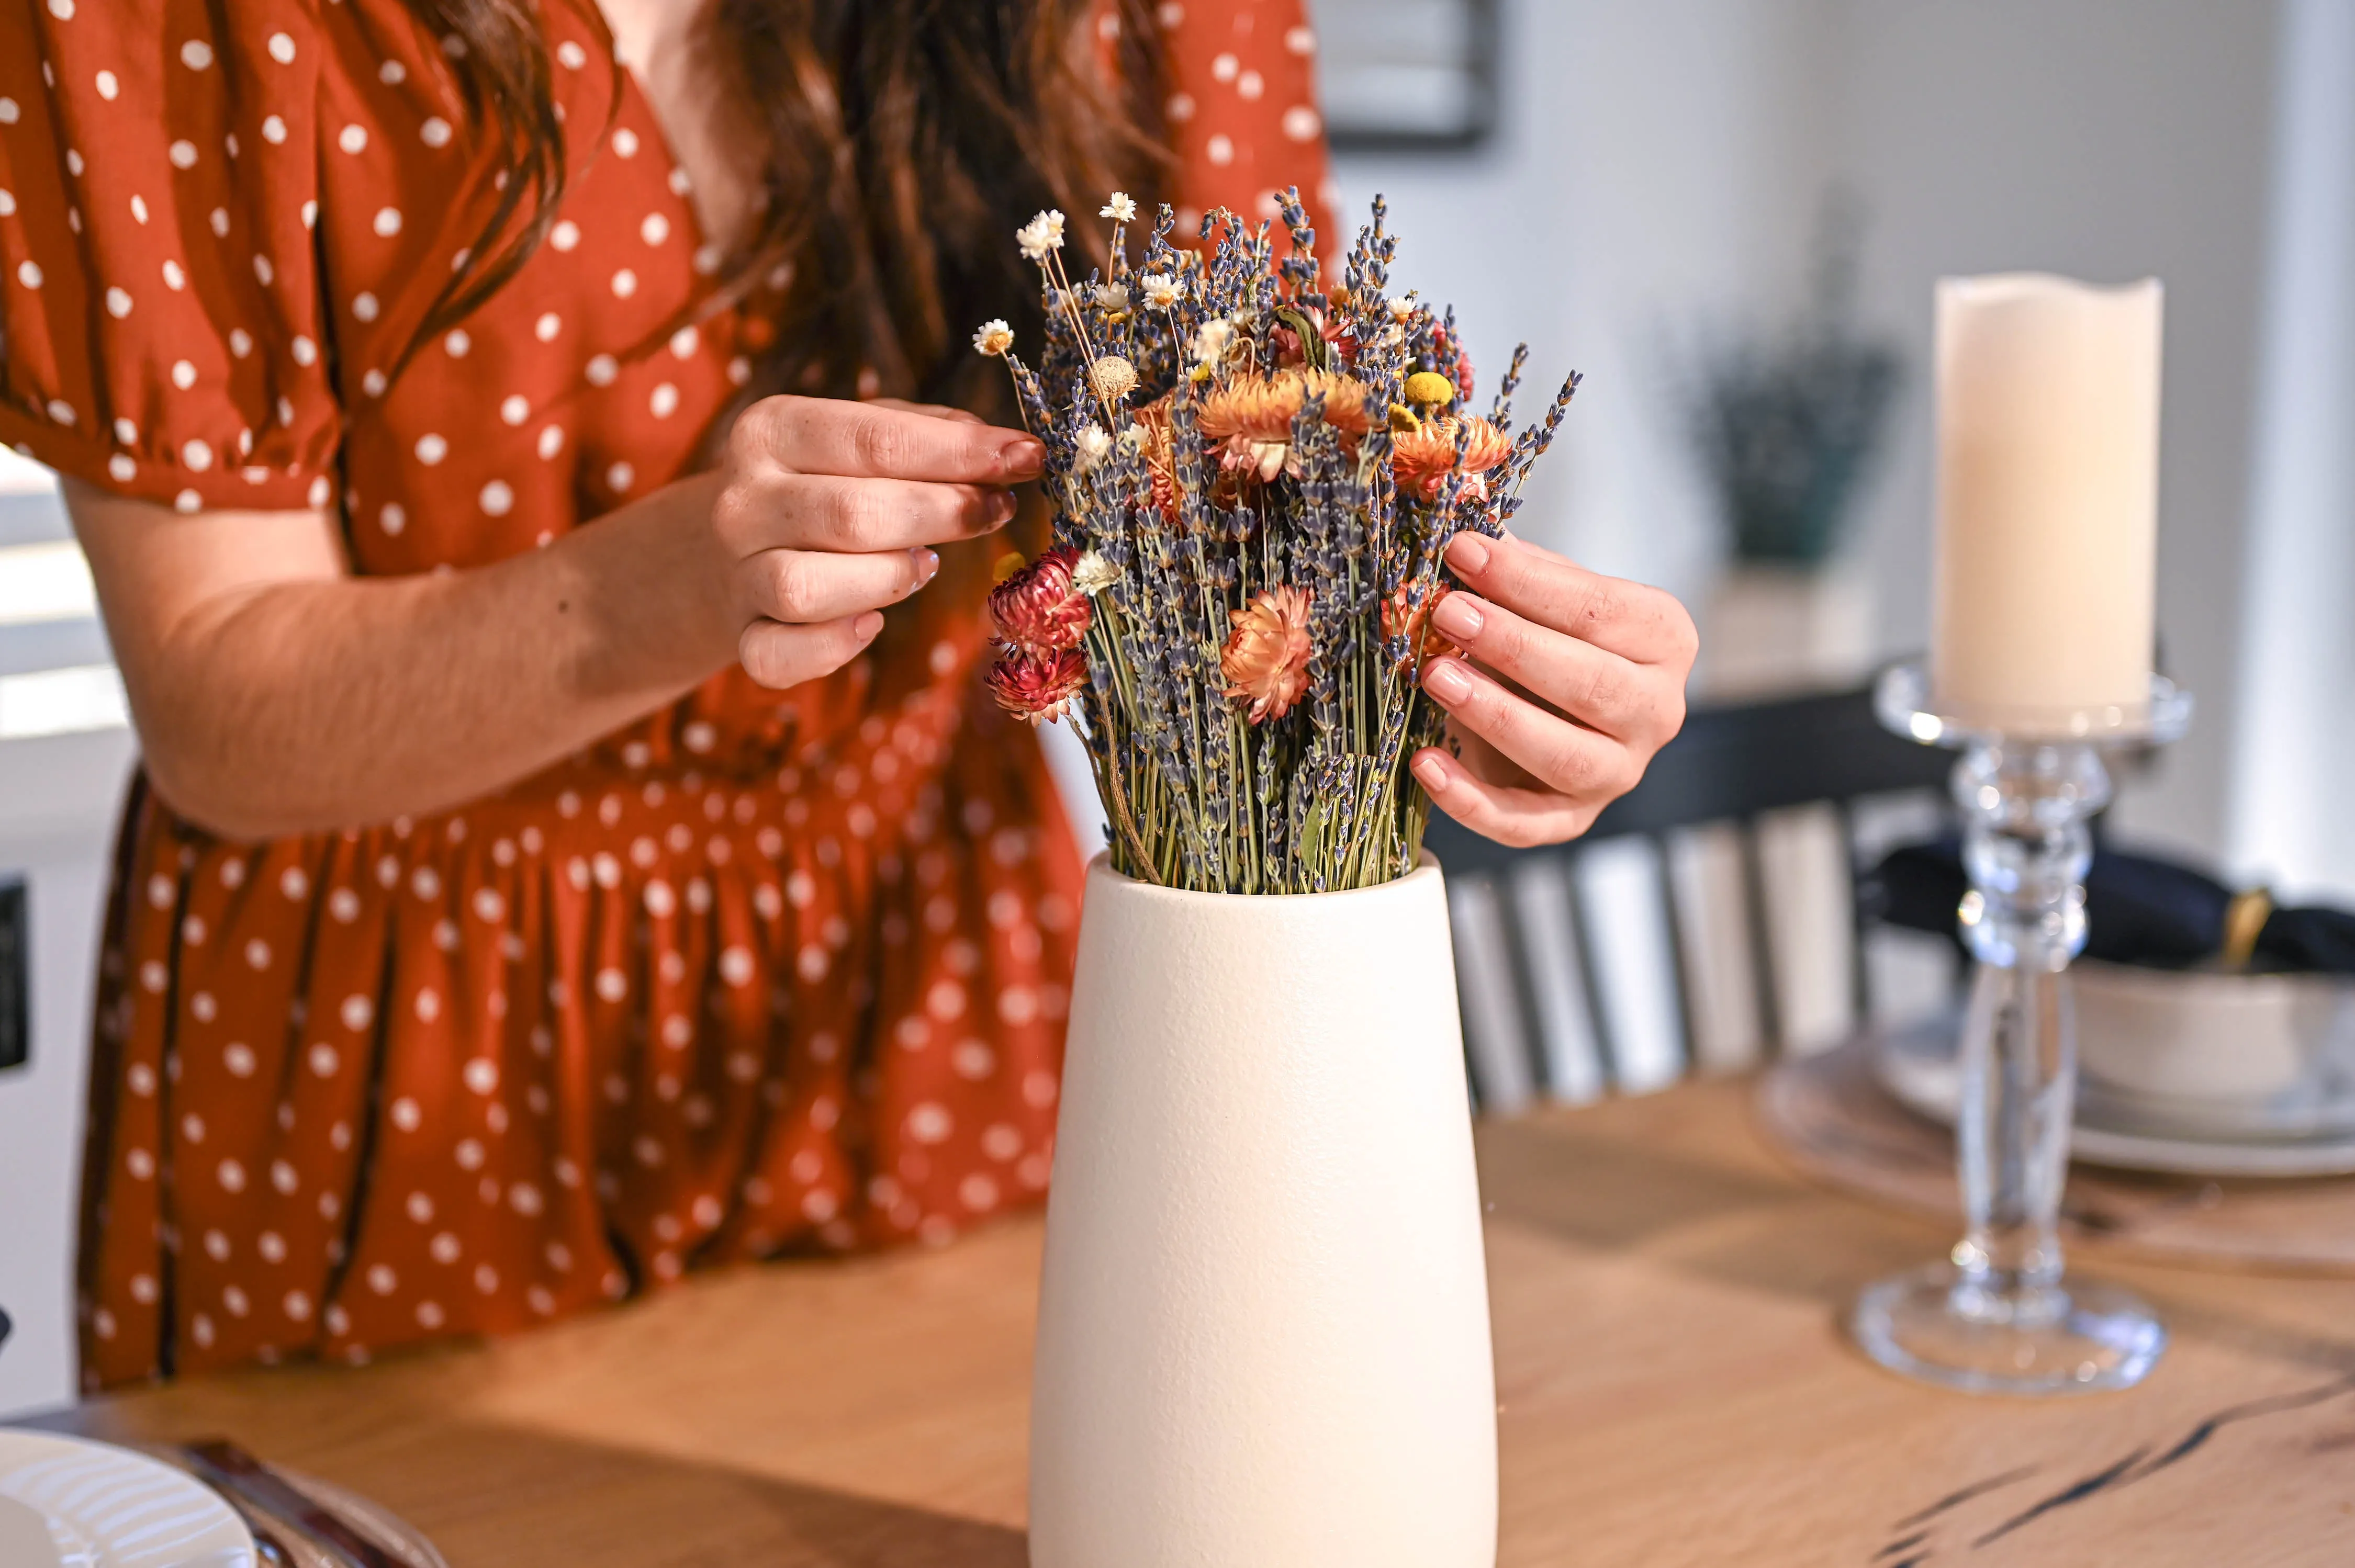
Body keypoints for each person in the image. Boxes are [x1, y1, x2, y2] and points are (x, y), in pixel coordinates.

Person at [0, 0, 1696, 1390]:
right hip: (399, 1071)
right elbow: (220, 709)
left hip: (930, 1008)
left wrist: (1465, 683)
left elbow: (1259, 532)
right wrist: (670, 587)